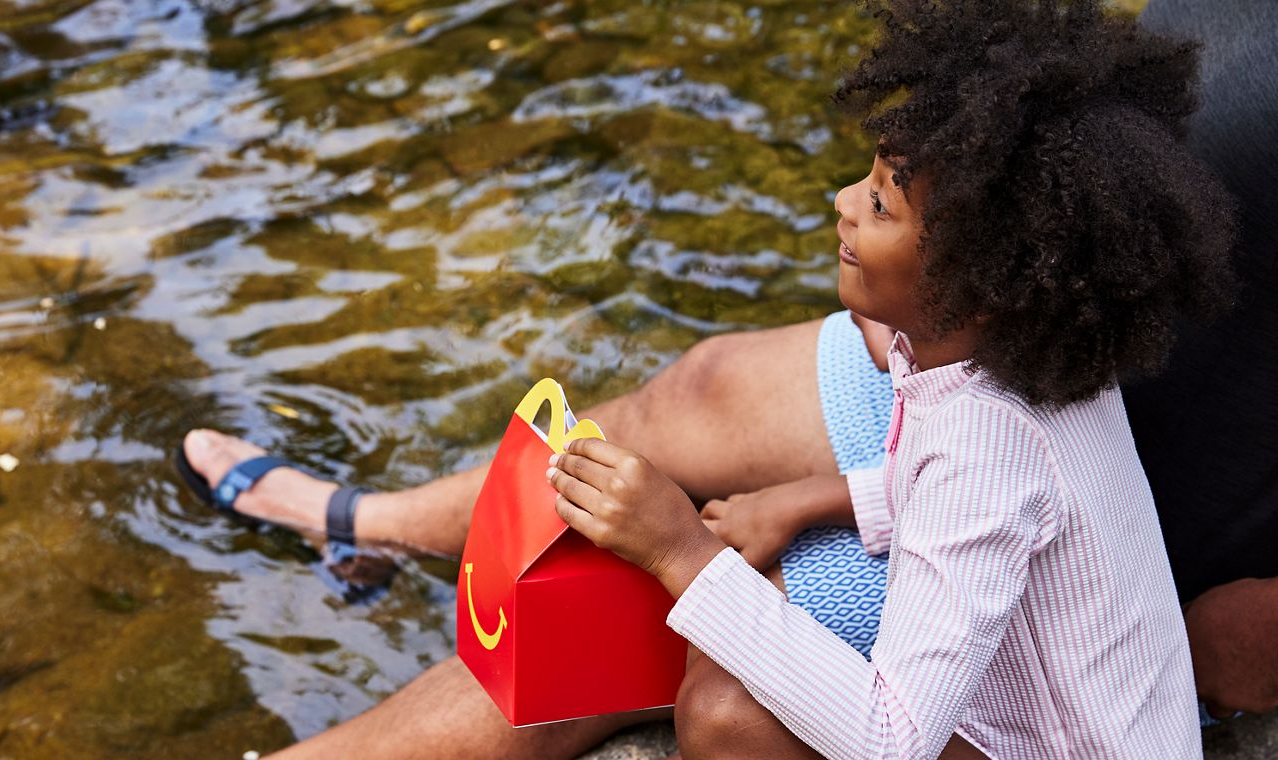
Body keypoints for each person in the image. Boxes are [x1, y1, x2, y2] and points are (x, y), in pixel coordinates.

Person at [175, 0, 1276, 756]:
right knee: (692, 517)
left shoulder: (989, 434)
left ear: (983, 288)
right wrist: (808, 495)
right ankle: (384, 529)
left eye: (883, 203)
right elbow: (990, 498)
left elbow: (892, 731)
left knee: (722, 708)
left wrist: (682, 550)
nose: (844, 203)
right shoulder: (1017, 369)